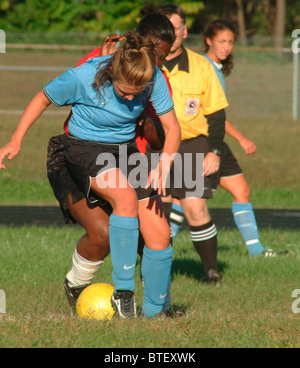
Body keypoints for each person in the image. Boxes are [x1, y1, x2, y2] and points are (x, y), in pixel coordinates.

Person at [0, 32, 181, 319]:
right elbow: (42, 98)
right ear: (112, 73)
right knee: (124, 197)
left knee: (159, 233)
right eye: (125, 93)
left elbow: (173, 128)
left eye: (138, 92)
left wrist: (164, 164)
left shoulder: (153, 76)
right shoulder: (83, 76)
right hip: (85, 148)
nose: (132, 98)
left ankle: (155, 314)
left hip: (126, 150)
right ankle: (124, 294)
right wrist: (15, 139)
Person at [169, 19, 277, 258]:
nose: (226, 47)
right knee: (184, 198)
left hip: (212, 141)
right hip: (204, 142)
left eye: (230, 42)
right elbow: (216, 116)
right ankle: (161, 248)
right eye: (222, 41)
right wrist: (242, 139)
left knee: (235, 190)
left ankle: (255, 250)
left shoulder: (213, 67)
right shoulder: (203, 66)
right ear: (208, 40)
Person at [158, 4, 229, 283]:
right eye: (165, 29)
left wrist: (214, 152)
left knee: (195, 209)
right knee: (155, 212)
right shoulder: (145, 63)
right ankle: (153, 273)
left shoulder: (202, 66)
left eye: (175, 28)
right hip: (153, 147)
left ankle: (211, 271)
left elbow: (217, 116)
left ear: (185, 31)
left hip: (190, 146)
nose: (171, 34)